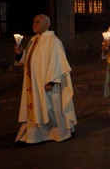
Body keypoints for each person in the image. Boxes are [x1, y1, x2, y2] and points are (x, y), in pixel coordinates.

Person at [14, 14, 77, 144]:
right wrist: (21, 54)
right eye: (33, 22)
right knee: (36, 108)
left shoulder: (53, 41)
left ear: (46, 24)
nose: (34, 24)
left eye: (37, 22)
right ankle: (35, 136)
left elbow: (57, 62)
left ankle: (60, 134)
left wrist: (51, 81)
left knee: (51, 109)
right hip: (34, 83)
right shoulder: (34, 40)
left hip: (48, 82)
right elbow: (30, 59)